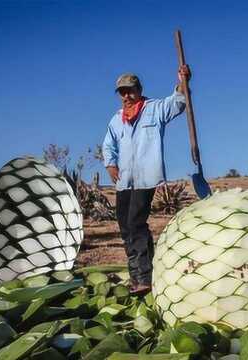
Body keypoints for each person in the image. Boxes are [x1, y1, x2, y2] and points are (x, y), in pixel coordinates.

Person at [102, 65, 191, 294]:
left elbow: (178, 102)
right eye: (122, 92)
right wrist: (110, 164)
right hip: (125, 180)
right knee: (125, 226)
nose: (126, 96)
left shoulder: (154, 109)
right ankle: (138, 275)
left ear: (139, 90)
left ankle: (144, 277)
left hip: (146, 178)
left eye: (130, 91)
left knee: (135, 223)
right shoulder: (116, 119)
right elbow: (109, 144)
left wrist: (183, 81)